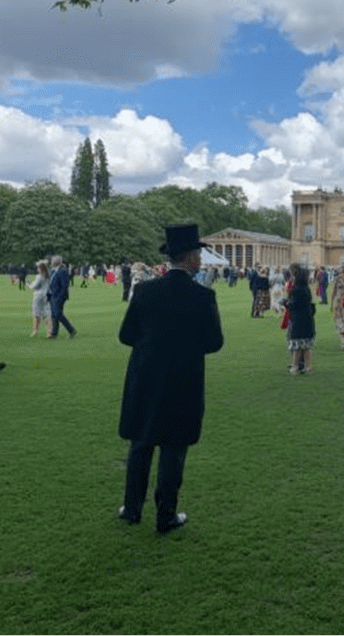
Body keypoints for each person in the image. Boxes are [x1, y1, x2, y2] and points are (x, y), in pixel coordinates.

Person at [117, 224, 224, 532]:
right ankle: (166, 515)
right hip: (183, 380)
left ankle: (132, 509)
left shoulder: (145, 291)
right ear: (190, 258)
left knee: (141, 445)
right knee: (173, 449)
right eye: (198, 256)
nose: (201, 261)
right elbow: (214, 342)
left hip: (146, 377)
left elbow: (126, 335)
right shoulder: (203, 296)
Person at [284, 264, 316, 375]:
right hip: (307, 319)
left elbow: (294, 305)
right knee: (306, 346)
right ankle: (307, 366)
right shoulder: (306, 288)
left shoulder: (296, 289)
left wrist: (286, 303)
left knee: (296, 346)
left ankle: (295, 366)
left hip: (298, 319)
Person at [47, 255, 76, 338]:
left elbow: (64, 286)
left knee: (58, 314)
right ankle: (54, 333)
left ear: (56, 262)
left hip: (59, 296)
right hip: (52, 295)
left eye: (52, 261)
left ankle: (71, 329)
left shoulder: (63, 271)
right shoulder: (53, 271)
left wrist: (59, 297)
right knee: (54, 314)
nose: (51, 262)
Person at [28, 260, 50, 337]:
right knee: (45, 313)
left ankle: (35, 330)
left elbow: (35, 286)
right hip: (46, 295)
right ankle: (48, 332)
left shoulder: (39, 276)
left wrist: (29, 285)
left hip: (38, 295)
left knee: (36, 314)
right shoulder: (48, 275)